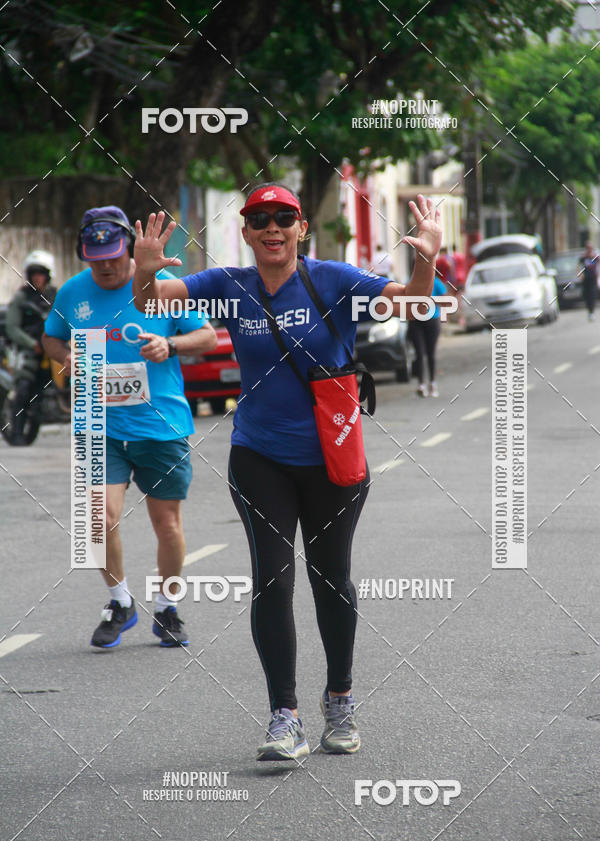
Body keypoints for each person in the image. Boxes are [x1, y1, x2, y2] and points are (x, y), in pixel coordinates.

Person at [132, 185, 442, 760]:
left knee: (332, 579)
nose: (272, 227)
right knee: (272, 580)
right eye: (259, 219)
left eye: (284, 218)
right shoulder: (228, 286)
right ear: (246, 232)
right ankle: (284, 715)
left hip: (332, 459)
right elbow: (151, 302)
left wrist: (426, 255)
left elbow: (415, 302)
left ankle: (340, 698)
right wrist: (144, 274)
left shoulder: (334, 281)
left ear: (301, 228)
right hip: (258, 457)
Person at [43, 206, 217, 649]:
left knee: (168, 525)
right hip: (98, 425)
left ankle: (167, 608)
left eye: (113, 256)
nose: (104, 265)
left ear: (130, 249)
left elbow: (208, 337)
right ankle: (120, 602)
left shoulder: (161, 288)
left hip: (160, 426)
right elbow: (51, 336)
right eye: (94, 257)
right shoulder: (71, 293)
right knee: (98, 519)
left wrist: (170, 343)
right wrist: (65, 358)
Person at [5, 250, 57, 445]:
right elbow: (12, 327)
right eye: (34, 273)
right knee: (24, 389)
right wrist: (31, 343)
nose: (38, 278)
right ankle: (17, 433)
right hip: (29, 352)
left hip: (53, 351)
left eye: (41, 273)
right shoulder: (22, 298)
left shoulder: (56, 295)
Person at [408, 274, 447, 398]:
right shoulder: (410, 282)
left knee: (431, 354)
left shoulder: (435, 281)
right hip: (415, 321)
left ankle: (432, 383)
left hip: (432, 320)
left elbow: (444, 298)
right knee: (419, 353)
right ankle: (421, 384)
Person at [579, 241, 598, 321]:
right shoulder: (583, 258)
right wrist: (580, 275)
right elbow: (578, 266)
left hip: (593, 278)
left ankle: (592, 312)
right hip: (585, 279)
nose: (589, 250)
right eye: (588, 248)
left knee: (592, 295)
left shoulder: (595, 257)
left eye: (590, 248)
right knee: (586, 295)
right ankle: (589, 310)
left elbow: (598, 266)